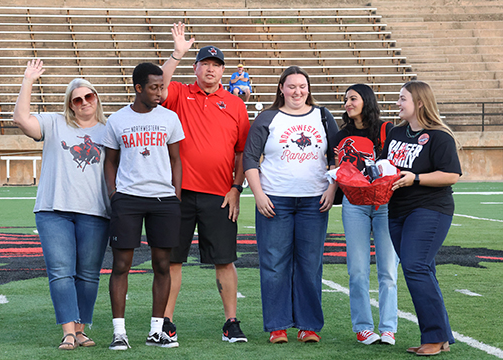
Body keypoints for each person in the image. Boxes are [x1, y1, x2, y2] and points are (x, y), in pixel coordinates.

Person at [159, 22, 250, 343]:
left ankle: (231, 322)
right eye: (204, 64)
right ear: (195, 67)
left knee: (224, 260)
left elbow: (242, 153)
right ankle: (165, 321)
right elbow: (159, 86)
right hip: (178, 194)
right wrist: (177, 54)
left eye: (216, 65)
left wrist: (237, 188)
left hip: (219, 195)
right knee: (172, 260)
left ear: (222, 71)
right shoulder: (182, 93)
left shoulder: (235, 104)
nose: (210, 70)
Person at [13, 59, 110, 350]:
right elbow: (21, 119)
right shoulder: (54, 122)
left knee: (89, 274)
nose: (83, 102)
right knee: (61, 272)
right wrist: (28, 80)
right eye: (76, 99)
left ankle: (81, 331)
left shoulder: (110, 129)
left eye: (88, 96)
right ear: (70, 104)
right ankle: (68, 331)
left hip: (95, 211)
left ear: (96, 98)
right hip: (53, 211)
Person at [243, 65, 338, 344]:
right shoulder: (267, 117)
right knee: (274, 264)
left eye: (302, 86)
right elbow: (250, 158)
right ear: (281, 89)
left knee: (310, 264)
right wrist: (259, 195)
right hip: (275, 200)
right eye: (291, 86)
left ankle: (308, 326)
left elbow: (337, 156)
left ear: (308, 89)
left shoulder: (323, 116)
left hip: (314, 201)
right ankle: (278, 325)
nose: (297, 91)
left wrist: (332, 189)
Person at [103, 62, 184, 350]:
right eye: (154, 87)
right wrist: (114, 194)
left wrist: (174, 194)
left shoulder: (170, 118)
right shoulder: (117, 120)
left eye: (162, 87)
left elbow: (176, 160)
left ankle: (156, 330)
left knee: (163, 265)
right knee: (121, 265)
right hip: (128, 199)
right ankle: (119, 333)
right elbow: (109, 162)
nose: (160, 92)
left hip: (164, 201)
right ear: (138, 88)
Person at [382, 80, 461, 356]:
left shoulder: (440, 136)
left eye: (402, 99)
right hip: (397, 210)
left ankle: (436, 337)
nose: (398, 103)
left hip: (430, 208)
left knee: (415, 266)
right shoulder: (395, 133)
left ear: (420, 104)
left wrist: (415, 178)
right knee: (422, 269)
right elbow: (384, 167)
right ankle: (440, 335)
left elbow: (451, 175)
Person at [333, 84, 399, 346]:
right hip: (355, 203)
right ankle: (362, 326)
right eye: (346, 99)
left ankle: (388, 328)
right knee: (358, 269)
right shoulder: (340, 136)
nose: (348, 103)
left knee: (388, 269)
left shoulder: (387, 129)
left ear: (366, 101)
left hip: (384, 203)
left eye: (353, 99)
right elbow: (336, 168)